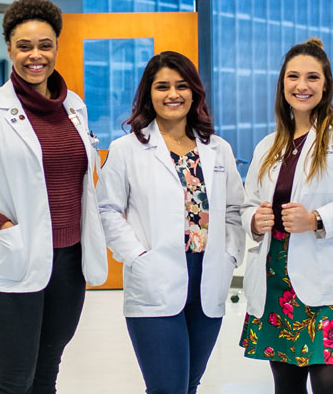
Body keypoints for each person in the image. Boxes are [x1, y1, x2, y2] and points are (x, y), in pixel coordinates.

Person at [0, 0, 108, 393]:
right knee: (15, 380)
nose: (36, 55)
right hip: (14, 258)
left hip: (68, 263)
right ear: (10, 48)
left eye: (45, 45)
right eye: (25, 46)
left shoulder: (74, 106)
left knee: (48, 372)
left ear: (56, 47)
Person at [239, 38, 333, 394]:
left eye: (312, 78)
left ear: (326, 84)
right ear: (282, 84)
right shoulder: (268, 145)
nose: (302, 86)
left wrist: (317, 218)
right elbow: (247, 205)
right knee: (286, 387)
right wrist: (254, 221)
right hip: (277, 281)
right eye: (293, 77)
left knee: (331, 384)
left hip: (327, 284)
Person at [96, 51, 245, 394]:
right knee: (167, 388)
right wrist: (137, 257)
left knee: (189, 384)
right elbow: (106, 211)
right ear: (149, 93)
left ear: (194, 92)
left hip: (208, 276)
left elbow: (235, 211)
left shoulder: (217, 149)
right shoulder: (126, 149)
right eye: (162, 86)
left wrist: (230, 256)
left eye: (181, 86)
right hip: (155, 279)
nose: (172, 94)